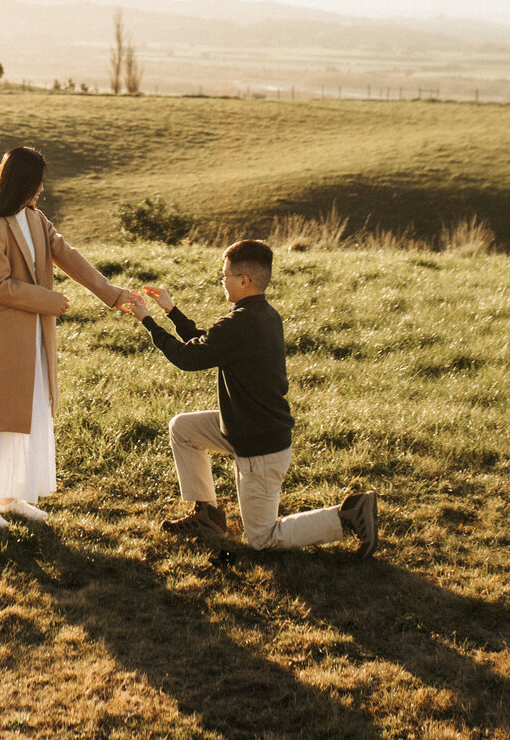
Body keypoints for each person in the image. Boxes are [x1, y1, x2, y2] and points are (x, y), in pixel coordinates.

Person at [125, 238, 379, 556]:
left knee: (262, 538)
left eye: (224, 276)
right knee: (183, 429)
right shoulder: (261, 315)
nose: (221, 281)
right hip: (247, 425)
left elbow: (187, 358)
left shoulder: (240, 323)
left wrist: (147, 321)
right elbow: (208, 344)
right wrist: (171, 311)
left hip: (258, 445)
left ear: (244, 280)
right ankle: (207, 516)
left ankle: (348, 514)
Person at [0, 145, 135, 529]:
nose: (40, 190)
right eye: (36, 183)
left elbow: (69, 257)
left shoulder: (37, 220)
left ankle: (7, 496)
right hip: (5, 337)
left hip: (36, 337)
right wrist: (48, 300)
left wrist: (113, 294)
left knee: (30, 412)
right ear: (21, 182)